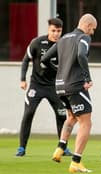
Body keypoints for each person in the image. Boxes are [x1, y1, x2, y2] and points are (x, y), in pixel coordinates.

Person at [41, 13, 97, 173]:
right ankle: (76, 162)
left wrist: (59, 72)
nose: (92, 32)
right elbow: (80, 54)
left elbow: (44, 58)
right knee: (86, 122)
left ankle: (60, 147)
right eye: (92, 29)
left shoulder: (63, 38)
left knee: (71, 117)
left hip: (60, 86)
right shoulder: (84, 38)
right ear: (87, 26)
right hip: (76, 86)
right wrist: (88, 78)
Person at [16, 18, 72, 157]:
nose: (56, 34)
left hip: (55, 87)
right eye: (53, 31)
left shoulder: (64, 45)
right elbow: (25, 60)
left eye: (59, 31)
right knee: (28, 113)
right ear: (48, 30)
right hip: (37, 85)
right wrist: (23, 79)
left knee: (61, 116)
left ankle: (63, 148)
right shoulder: (37, 43)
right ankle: (22, 148)